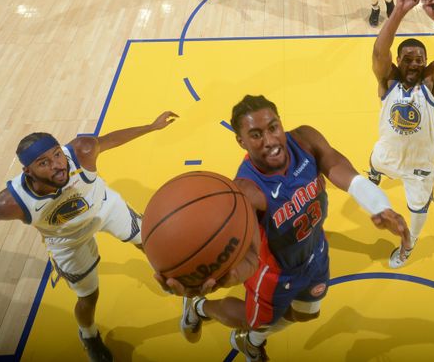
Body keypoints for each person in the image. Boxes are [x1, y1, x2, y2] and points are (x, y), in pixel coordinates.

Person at [163, 95, 411, 362]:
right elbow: (241, 250)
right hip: (275, 273)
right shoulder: (247, 191)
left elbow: (338, 166)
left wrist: (378, 205)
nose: (270, 141)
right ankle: (201, 309)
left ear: (281, 123)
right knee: (254, 321)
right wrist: (205, 279)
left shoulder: (305, 140)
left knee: (306, 314)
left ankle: (251, 341)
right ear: (241, 141)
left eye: (273, 128)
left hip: (315, 252)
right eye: (256, 135)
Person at [0, 111, 178, 362]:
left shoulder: (82, 151)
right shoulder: (10, 203)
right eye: (44, 163)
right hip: (67, 241)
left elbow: (111, 139)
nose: (57, 164)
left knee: (149, 241)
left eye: (57, 154)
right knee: (89, 296)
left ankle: (168, 275)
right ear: (28, 171)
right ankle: (88, 335)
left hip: (105, 208)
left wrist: (151, 126)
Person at [367, 0, 434, 268]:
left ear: (425, 63)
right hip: (387, 155)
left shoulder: (432, 83)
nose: (413, 64)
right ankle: (375, 171)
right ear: (398, 61)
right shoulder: (388, 80)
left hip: (418, 169)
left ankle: (409, 244)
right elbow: (378, 51)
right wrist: (399, 10)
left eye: (418, 60)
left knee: (417, 213)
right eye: (407, 59)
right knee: (375, 158)